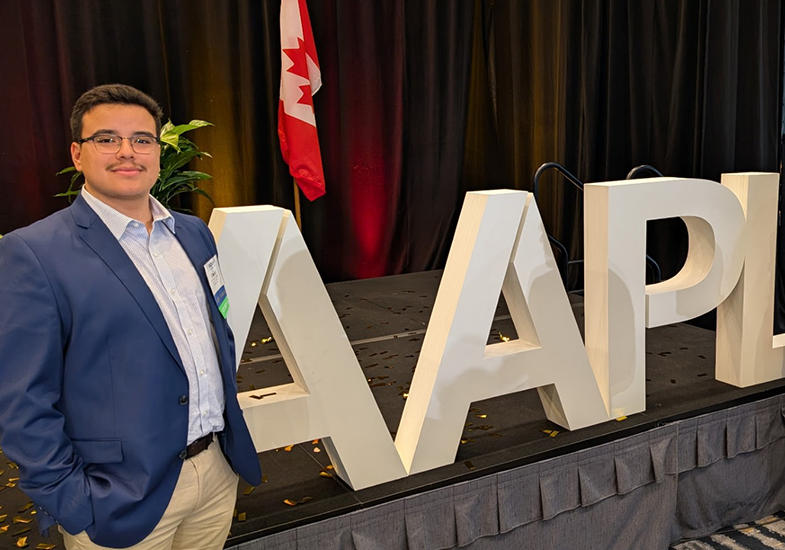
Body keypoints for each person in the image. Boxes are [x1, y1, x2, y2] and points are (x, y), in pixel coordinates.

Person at [0, 84, 261, 549]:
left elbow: (216, 333)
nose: (127, 152)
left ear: (158, 153)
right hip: (116, 500)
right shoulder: (33, 253)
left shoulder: (195, 234)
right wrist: (72, 502)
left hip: (216, 473)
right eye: (107, 139)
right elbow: (21, 401)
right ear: (78, 154)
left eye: (142, 139)